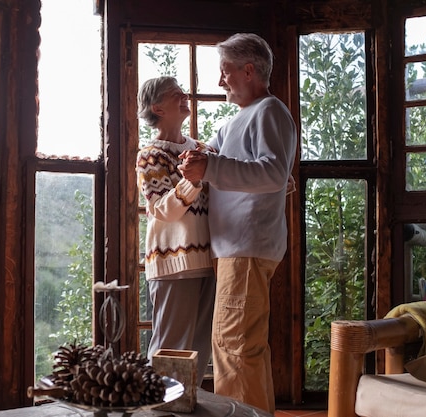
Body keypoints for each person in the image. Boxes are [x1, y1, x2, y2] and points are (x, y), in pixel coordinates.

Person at [178, 33, 297, 413]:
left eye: (225, 71)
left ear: (249, 71)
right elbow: (211, 151)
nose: (219, 81)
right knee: (245, 351)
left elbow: (275, 173)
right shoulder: (237, 122)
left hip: (246, 250)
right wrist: (200, 155)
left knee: (234, 351)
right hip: (237, 251)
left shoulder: (270, 111)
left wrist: (210, 167)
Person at [136, 76, 216, 385]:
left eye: (182, 91)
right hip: (173, 264)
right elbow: (162, 209)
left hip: (208, 261)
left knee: (199, 350)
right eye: (175, 94)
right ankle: (156, 409)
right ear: (157, 107)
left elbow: (225, 192)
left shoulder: (202, 150)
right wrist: (193, 180)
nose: (185, 96)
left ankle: (185, 407)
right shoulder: (150, 156)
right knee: (169, 350)